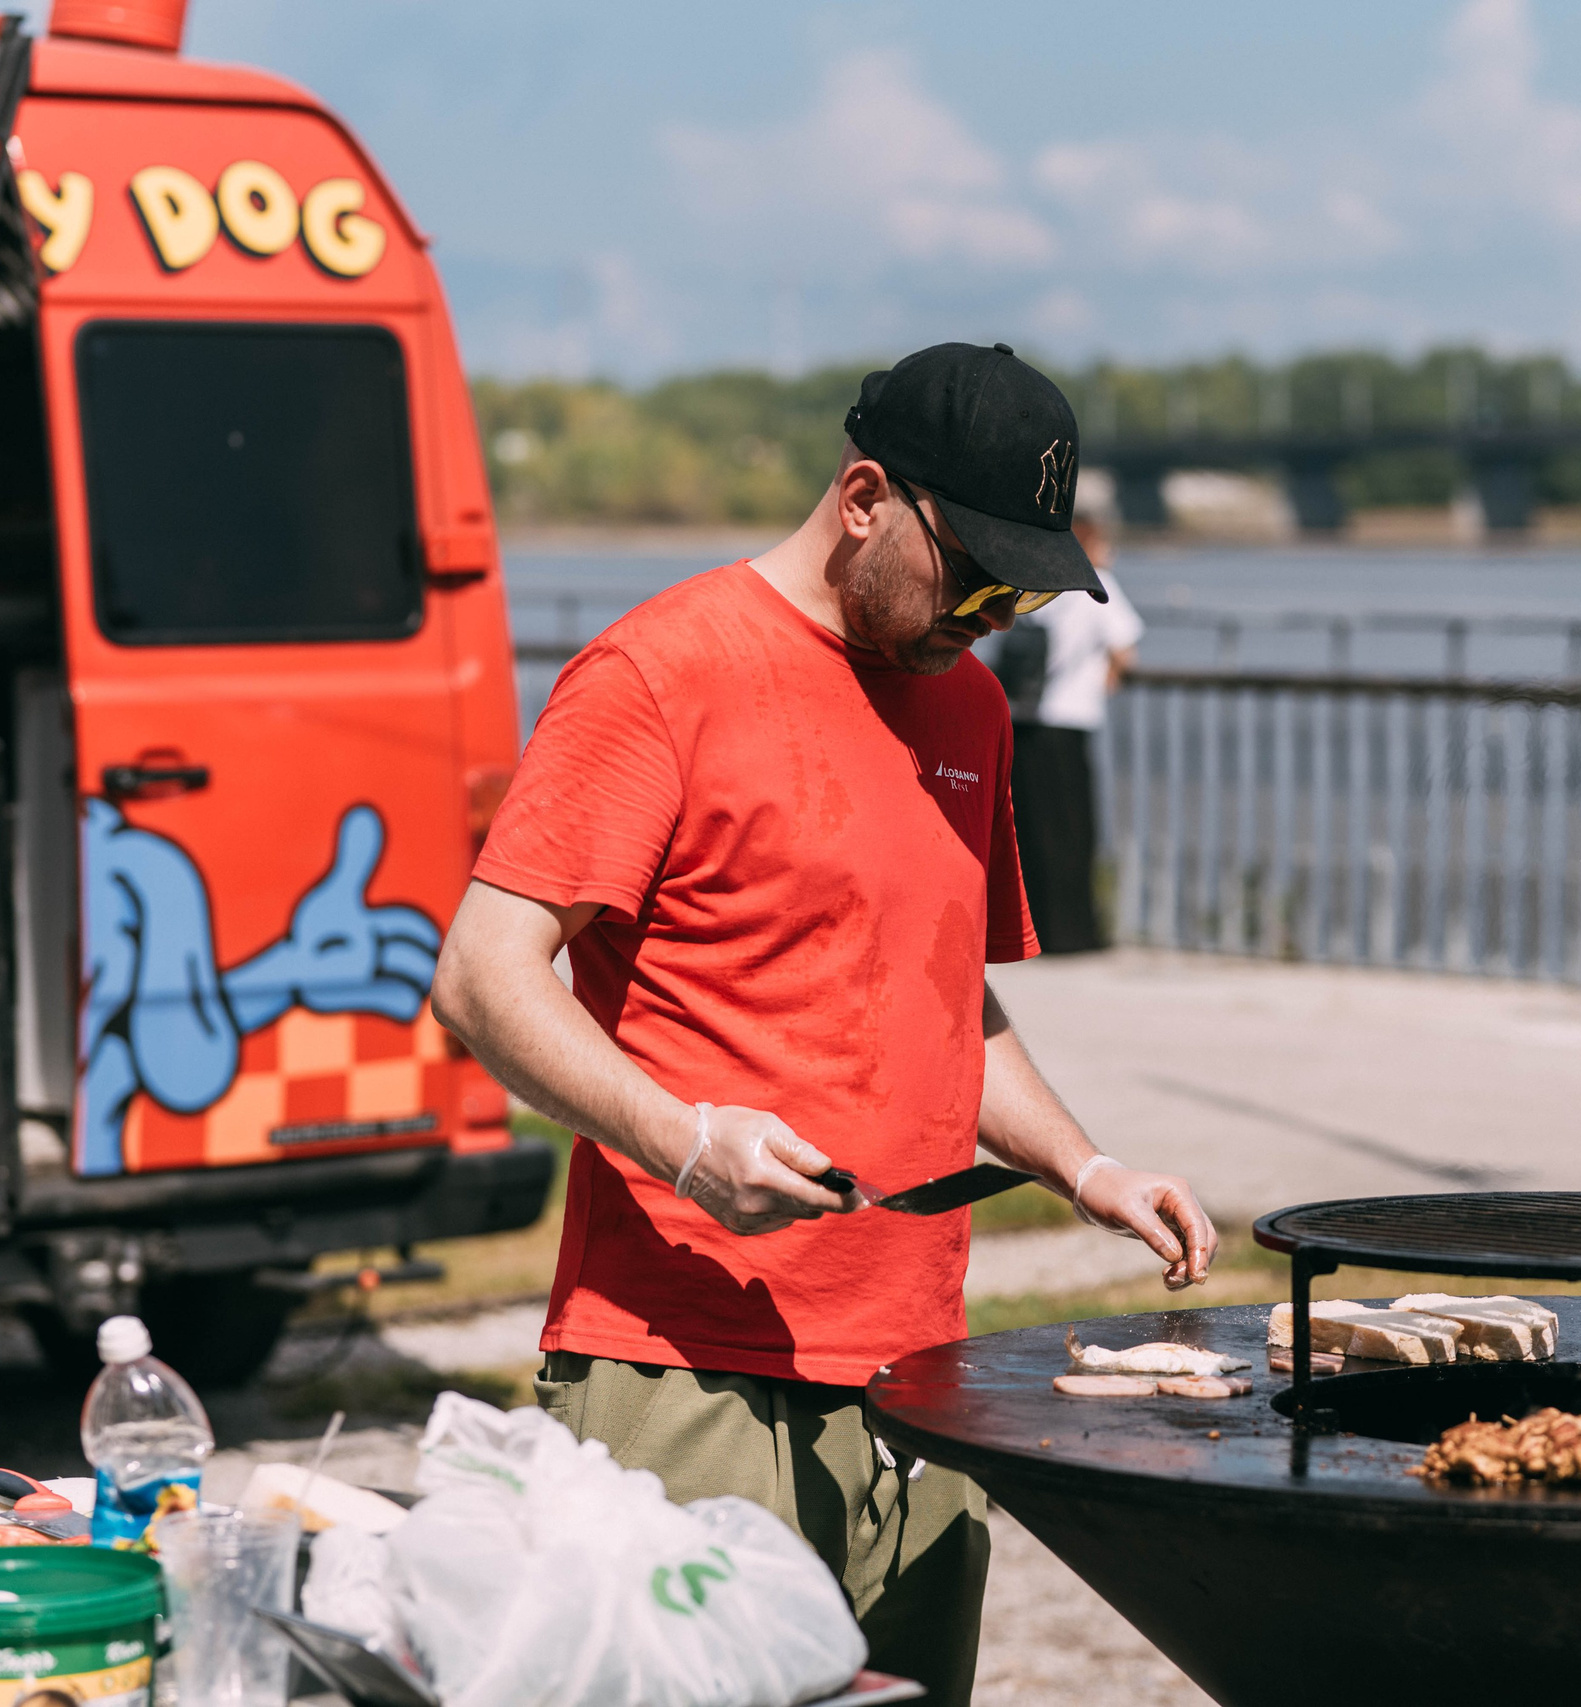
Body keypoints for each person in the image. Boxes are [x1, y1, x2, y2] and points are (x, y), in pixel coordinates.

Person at [429, 342, 1216, 1707]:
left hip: (919, 1373)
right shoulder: (659, 672)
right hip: (685, 1366)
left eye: (1024, 593)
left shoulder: (969, 702)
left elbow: (942, 991)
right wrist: (685, 1143)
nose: (994, 618)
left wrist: (1083, 1165)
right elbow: (484, 976)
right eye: (974, 577)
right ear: (864, 499)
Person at [981, 505, 1143, 952]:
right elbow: (1126, 648)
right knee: (1074, 831)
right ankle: (1076, 933)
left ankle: (1037, 931)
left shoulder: (1039, 583)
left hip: (1024, 719)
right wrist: (1108, 678)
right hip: (1069, 721)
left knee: (1030, 831)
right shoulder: (1096, 584)